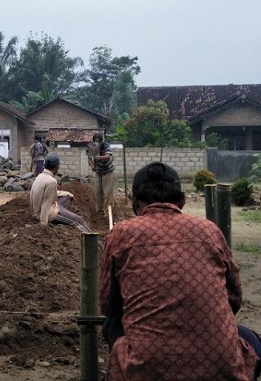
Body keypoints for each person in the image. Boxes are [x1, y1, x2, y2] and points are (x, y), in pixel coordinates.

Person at [100, 162, 261, 380]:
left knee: (111, 325)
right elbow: (233, 299)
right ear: (182, 200)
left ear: (134, 200)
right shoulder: (210, 231)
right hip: (221, 369)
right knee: (250, 338)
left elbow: (108, 305)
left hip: (145, 369)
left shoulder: (121, 233)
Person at [29, 153, 91, 232]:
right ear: (56, 167)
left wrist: (67, 193)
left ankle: (64, 212)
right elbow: (46, 203)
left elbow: (44, 193)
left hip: (39, 209)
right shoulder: (51, 181)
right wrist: (43, 224)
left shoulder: (40, 176)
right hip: (47, 213)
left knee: (66, 197)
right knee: (79, 220)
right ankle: (91, 236)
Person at [86, 131, 114, 215]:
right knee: (97, 192)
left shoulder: (106, 146)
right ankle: (100, 210)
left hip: (108, 171)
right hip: (98, 171)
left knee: (107, 192)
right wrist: (92, 166)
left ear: (102, 141)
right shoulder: (91, 146)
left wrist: (98, 157)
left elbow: (108, 157)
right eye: (96, 142)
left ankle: (107, 212)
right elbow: (89, 159)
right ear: (93, 141)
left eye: (99, 142)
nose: (97, 144)